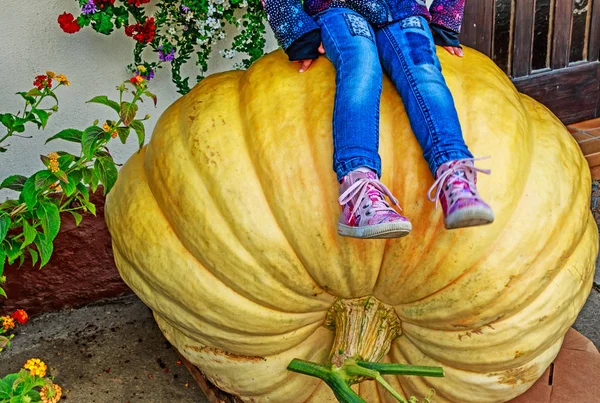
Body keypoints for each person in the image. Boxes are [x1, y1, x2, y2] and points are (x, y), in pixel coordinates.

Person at [261, 0, 494, 239]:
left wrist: (446, 16)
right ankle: (358, 192)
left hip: (403, 8)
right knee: (361, 66)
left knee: (423, 69)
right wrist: (296, 28)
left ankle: (454, 177)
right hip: (337, 7)